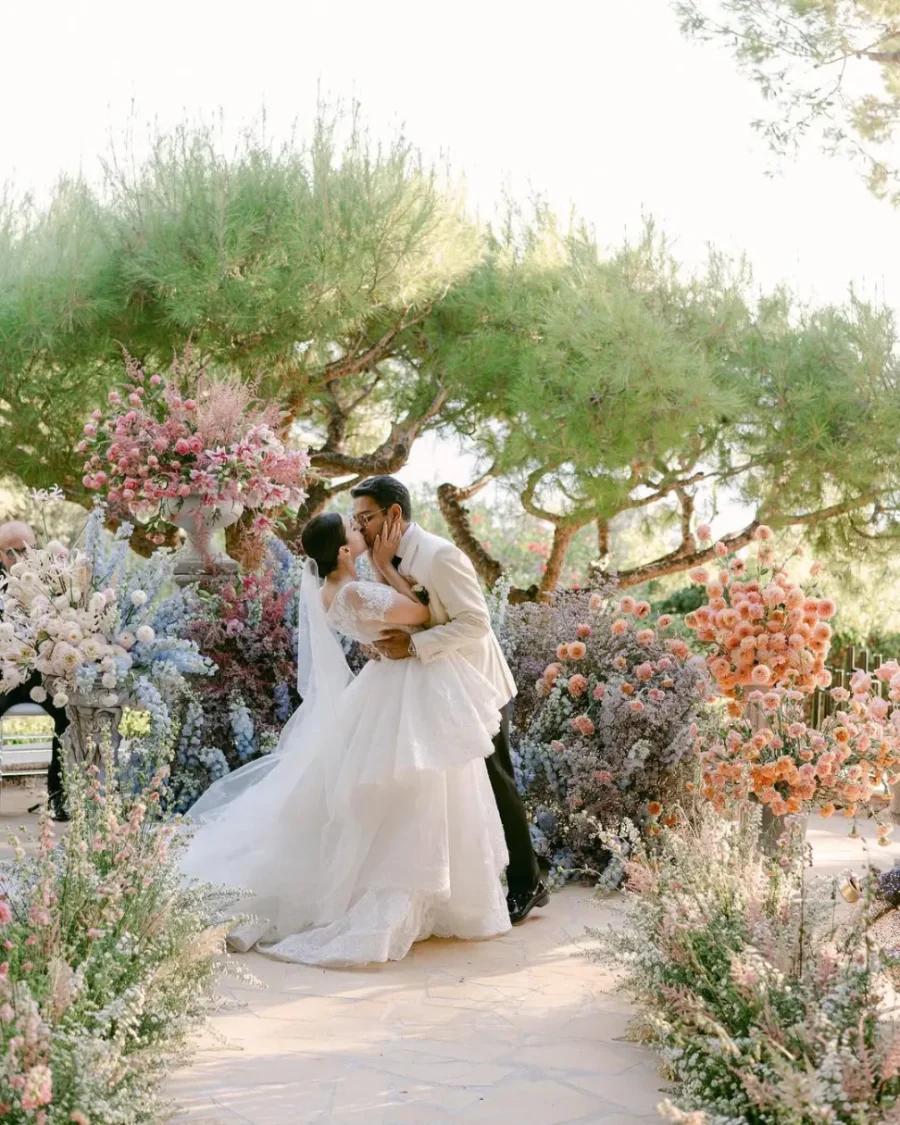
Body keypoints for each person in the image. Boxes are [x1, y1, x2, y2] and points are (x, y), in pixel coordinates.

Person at [180, 510, 512, 967]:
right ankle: (410, 887)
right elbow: (421, 613)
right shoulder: (356, 590)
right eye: (355, 531)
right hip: (402, 687)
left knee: (414, 787)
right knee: (418, 787)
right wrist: (390, 568)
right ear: (341, 550)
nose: (363, 533)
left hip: (383, 683)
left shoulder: (329, 593)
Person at [350, 475, 547, 925]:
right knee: (457, 790)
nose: (359, 528)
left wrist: (415, 646)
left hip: (478, 685)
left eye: (366, 518)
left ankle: (528, 883)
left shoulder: (440, 556)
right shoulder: (385, 558)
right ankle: (487, 879)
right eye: (356, 520)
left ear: (393, 514)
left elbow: (475, 622)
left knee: (497, 781)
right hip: (438, 687)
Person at [0, 520, 69, 821]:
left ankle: (61, 795)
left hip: (47, 673)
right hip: (4, 675)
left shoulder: (58, 581)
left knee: (67, 718)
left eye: (23, 549)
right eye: (9, 552)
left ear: (35, 547)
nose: (17, 557)